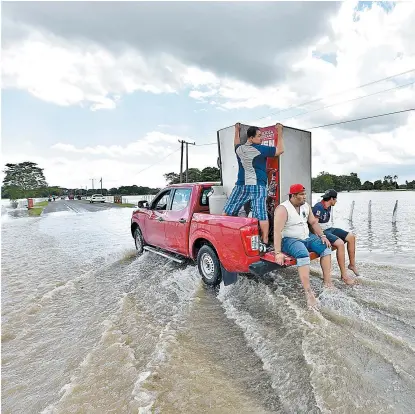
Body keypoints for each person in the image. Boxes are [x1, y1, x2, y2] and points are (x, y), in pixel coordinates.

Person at [223, 122, 284, 247]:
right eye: (259, 136)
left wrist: (236, 130)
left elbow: (235, 142)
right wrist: (279, 131)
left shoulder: (239, 149)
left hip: (241, 185)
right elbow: (280, 150)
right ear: (251, 138)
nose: (261, 138)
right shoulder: (260, 149)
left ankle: (225, 236)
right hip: (258, 186)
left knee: (227, 211)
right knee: (261, 214)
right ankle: (265, 241)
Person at [273, 184, 334, 309]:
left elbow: (313, 222)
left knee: (326, 248)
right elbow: (277, 231)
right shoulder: (283, 209)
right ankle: (308, 293)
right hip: (290, 239)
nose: (304, 197)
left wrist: (322, 236)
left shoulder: (305, 206)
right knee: (303, 254)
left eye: (305, 194)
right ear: (293, 196)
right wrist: (278, 252)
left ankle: (327, 283)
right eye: (301, 195)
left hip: (307, 237)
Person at [312, 189, 359, 280]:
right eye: (336, 199)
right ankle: (344, 275)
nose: (336, 201)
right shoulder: (319, 207)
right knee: (340, 244)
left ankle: (352, 265)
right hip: (322, 231)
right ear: (332, 199)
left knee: (351, 237)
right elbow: (314, 224)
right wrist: (318, 238)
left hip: (329, 229)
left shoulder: (328, 206)